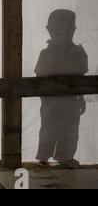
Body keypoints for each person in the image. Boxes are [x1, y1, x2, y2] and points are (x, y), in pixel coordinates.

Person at [35, 9, 88, 169]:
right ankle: (43, 156)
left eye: (64, 30)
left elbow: (82, 79)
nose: (60, 35)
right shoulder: (46, 54)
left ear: (73, 30)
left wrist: (82, 98)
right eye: (56, 30)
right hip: (50, 101)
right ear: (49, 30)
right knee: (48, 129)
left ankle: (65, 156)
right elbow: (39, 78)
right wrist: (43, 97)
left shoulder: (79, 53)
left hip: (71, 101)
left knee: (71, 129)